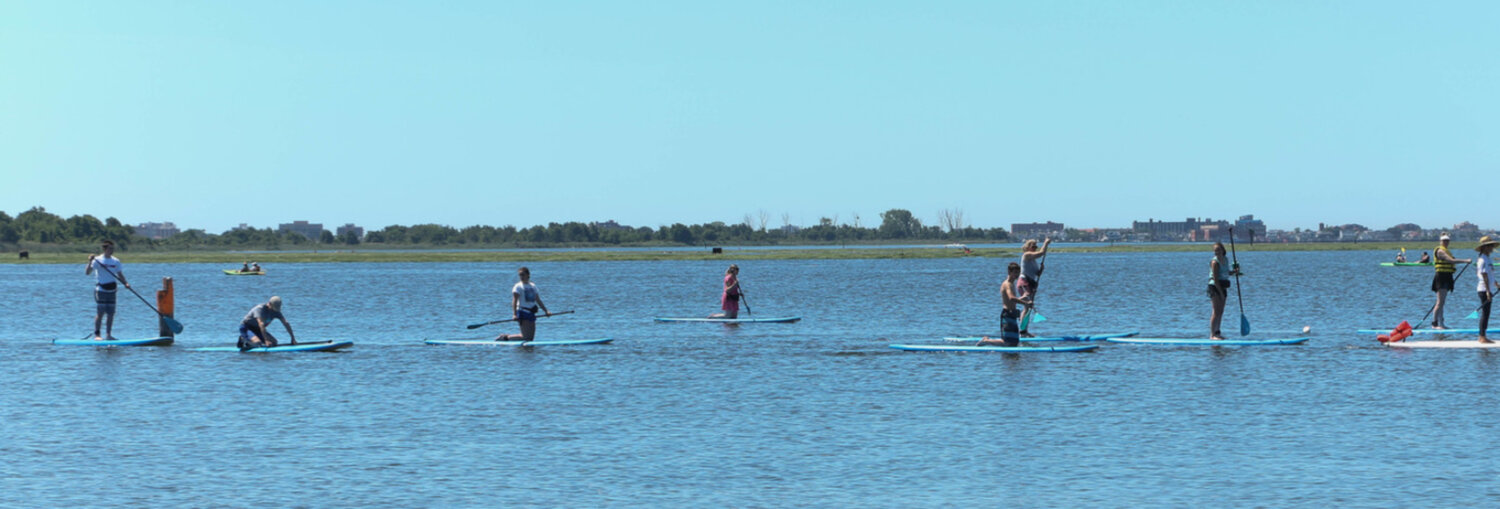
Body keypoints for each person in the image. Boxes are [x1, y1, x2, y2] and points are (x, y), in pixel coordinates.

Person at [85, 240, 130, 341]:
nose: (111, 250)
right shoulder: (98, 260)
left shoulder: (115, 261)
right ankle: (97, 335)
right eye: (110, 248)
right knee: (101, 313)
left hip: (112, 290)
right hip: (101, 290)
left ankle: (108, 335)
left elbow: (120, 274)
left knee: (111, 314)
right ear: (104, 249)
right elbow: (87, 272)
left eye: (112, 248)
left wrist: (126, 283)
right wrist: (90, 261)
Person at [981, 262, 1030, 347]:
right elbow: (1011, 298)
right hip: (1007, 315)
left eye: (1018, 273)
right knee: (1007, 342)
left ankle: (988, 341)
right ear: (1009, 272)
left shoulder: (1012, 284)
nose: (1017, 275)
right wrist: (1025, 303)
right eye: (1015, 272)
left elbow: (1011, 300)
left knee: (1014, 342)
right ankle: (986, 341)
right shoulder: (1007, 284)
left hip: (1012, 315)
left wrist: (1023, 298)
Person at [497, 267, 550, 341]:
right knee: (525, 337)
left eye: (523, 275)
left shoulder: (533, 286)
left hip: (531, 313)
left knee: (530, 338)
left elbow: (538, 300)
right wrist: (514, 314)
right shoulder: (518, 286)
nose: (521, 277)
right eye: (520, 275)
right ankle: (505, 337)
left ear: (528, 275)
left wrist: (546, 311)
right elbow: (514, 301)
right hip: (523, 312)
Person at [1429, 234, 1469, 329]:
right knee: (1440, 302)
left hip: (1447, 276)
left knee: (1442, 302)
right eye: (1444, 240)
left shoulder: (1447, 251)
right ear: (1440, 241)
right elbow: (1451, 260)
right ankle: (1434, 324)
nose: (1446, 242)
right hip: (1441, 277)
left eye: (1447, 240)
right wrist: (1465, 261)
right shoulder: (1440, 251)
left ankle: (1441, 324)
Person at [1017, 238, 1050, 337]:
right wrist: (1046, 243)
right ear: (1028, 247)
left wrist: (1041, 270)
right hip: (1024, 282)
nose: (1035, 248)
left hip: (1030, 284)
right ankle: (1022, 331)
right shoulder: (1026, 255)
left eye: (1036, 246)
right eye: (1033, 246)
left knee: (1029, 308)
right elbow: (1042, 253)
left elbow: (1037, 274)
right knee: (1027, 306)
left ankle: (1024, 330)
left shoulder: (1033, 261)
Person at [1208, 241, 1241, 340]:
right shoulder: (1215, 262)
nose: (1216, 252)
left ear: (1223, 250)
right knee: (1216, 311)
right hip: (1215, 286)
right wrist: (1221, 293)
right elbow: (1215, 279)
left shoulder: (1226, 259)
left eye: (1218, 250)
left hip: (1223, 286)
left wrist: (1234, 272)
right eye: (1215, 251)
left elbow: (1226, 272)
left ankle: (1218, 332)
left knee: (1221, 311)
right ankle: (1212, 335)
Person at [1477, 237, 1499, 343]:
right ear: (1485, 247)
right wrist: (1487, 291)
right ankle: (1482, 337)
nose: (1492, 248)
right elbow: (1484, 275)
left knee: (1487, 313)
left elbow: (1491, 275)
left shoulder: (1487, 258)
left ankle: (1482, 335)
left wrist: (1496, 284)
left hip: (1488, 289)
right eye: (1490, 246)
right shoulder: (1483, 259)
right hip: (1483, 289)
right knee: (1485, 313)